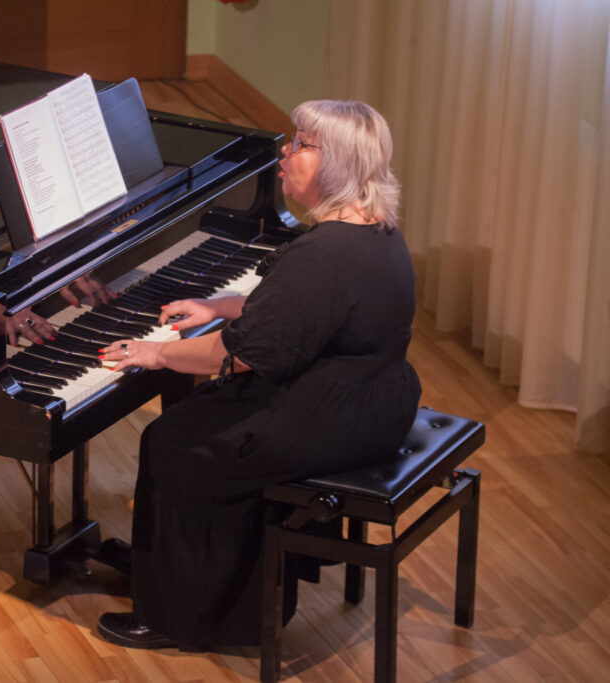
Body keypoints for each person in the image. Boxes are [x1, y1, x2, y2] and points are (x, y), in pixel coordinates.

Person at [94, 100, 422, 650]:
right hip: (378, 402)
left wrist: (155, 354)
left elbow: (241, 353)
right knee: (191, 424)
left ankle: (179, 614)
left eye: (301, 145)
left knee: (175, 440)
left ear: (336, 165)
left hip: (332, 419)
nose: (285, 152)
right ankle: (162, 567)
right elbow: (299, 309)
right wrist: (216, 305)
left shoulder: (324, 254)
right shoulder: (372, 229)